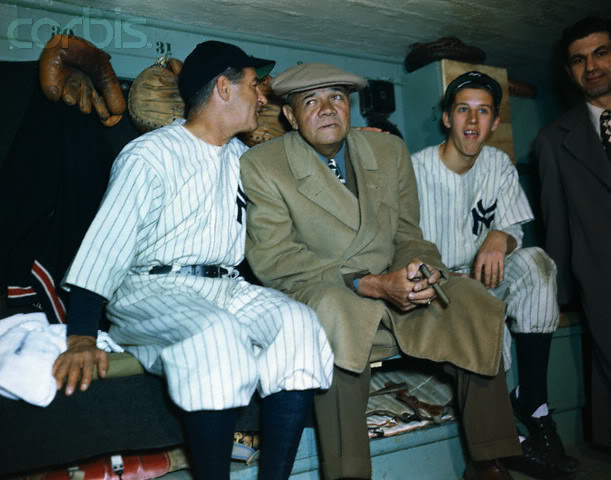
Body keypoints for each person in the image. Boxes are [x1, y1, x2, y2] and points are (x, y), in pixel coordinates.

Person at [52, 40, 334, 480]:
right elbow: (105, 246)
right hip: (152, 288)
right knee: (216, 334)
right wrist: (82, 336)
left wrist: (341, 154)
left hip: (225, 287)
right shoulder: (151, 154)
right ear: (223, 87)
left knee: (298, 323)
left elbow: (298, 188)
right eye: (253, 84)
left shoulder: (243, 158)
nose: (262, 97)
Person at [241, 62, 523, 480]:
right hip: (326, 286)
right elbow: (276, 260)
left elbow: (409, 235)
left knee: (470, 302)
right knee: (336, 315)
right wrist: (369, 284)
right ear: (290, 115)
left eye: (337, 97)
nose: (327, 109)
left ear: (349, 106)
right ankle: (349, 472)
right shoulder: (264, 165)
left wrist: (421, 269)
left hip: (396, 285)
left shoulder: (388, 151)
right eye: (311, 102)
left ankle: (488, 459)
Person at [412, 71, 577, 478]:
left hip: (485, 274)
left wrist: (501, 236)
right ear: (446, 118)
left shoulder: (498, 163)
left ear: (495, 122)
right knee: (483, 318)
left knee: (537, 263)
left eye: (483, 111)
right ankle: (506, 438)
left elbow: (516, 229)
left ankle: (533, 402)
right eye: (462, 110)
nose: (472, 120)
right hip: (438, 288)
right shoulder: (415, 168)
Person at [535, 15, 611, 452]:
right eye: (579, 60)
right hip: (602, 283)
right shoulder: (552, 140)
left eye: (601, 53)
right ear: (569, 71)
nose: (591, 66)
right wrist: (559, 296)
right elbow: (556, 222)